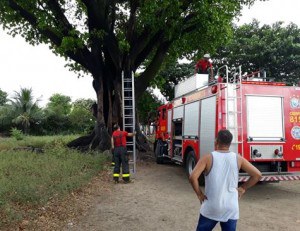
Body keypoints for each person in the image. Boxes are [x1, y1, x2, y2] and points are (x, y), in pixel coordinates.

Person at [189, 129, 262, 231]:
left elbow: (193, 177)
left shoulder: (207, 158)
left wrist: (199, 194)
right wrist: (242, 188)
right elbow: (257, 175)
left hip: (212, 206)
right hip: (231, 207)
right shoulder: (238, 158)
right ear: (230, 143)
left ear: (216, 141)